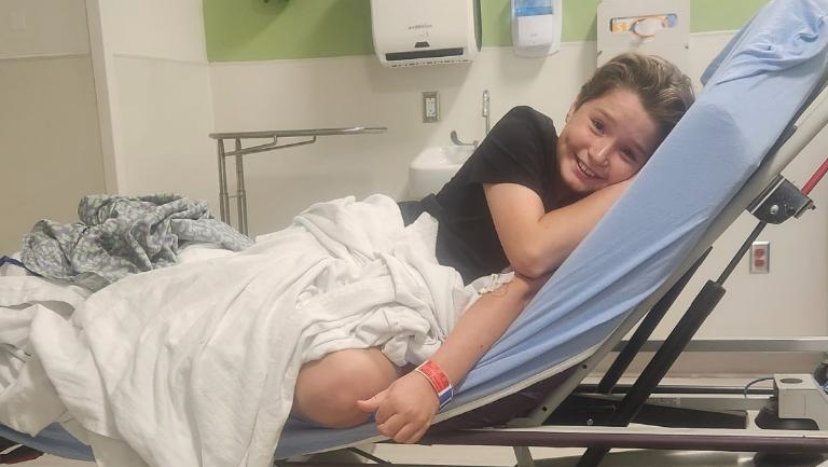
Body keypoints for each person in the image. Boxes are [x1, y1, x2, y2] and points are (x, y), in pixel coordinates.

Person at [290, 52, 695, 443]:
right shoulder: (526, 131)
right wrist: (634, 185)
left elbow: (520, 290)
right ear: (575, 106)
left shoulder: (605, 220)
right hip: (397, 251)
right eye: (599, 125)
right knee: (332, 382)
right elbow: (530, 252)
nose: (600, 154)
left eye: (629, 153)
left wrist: (432, 380)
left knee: (342, 390)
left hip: (446, 316)